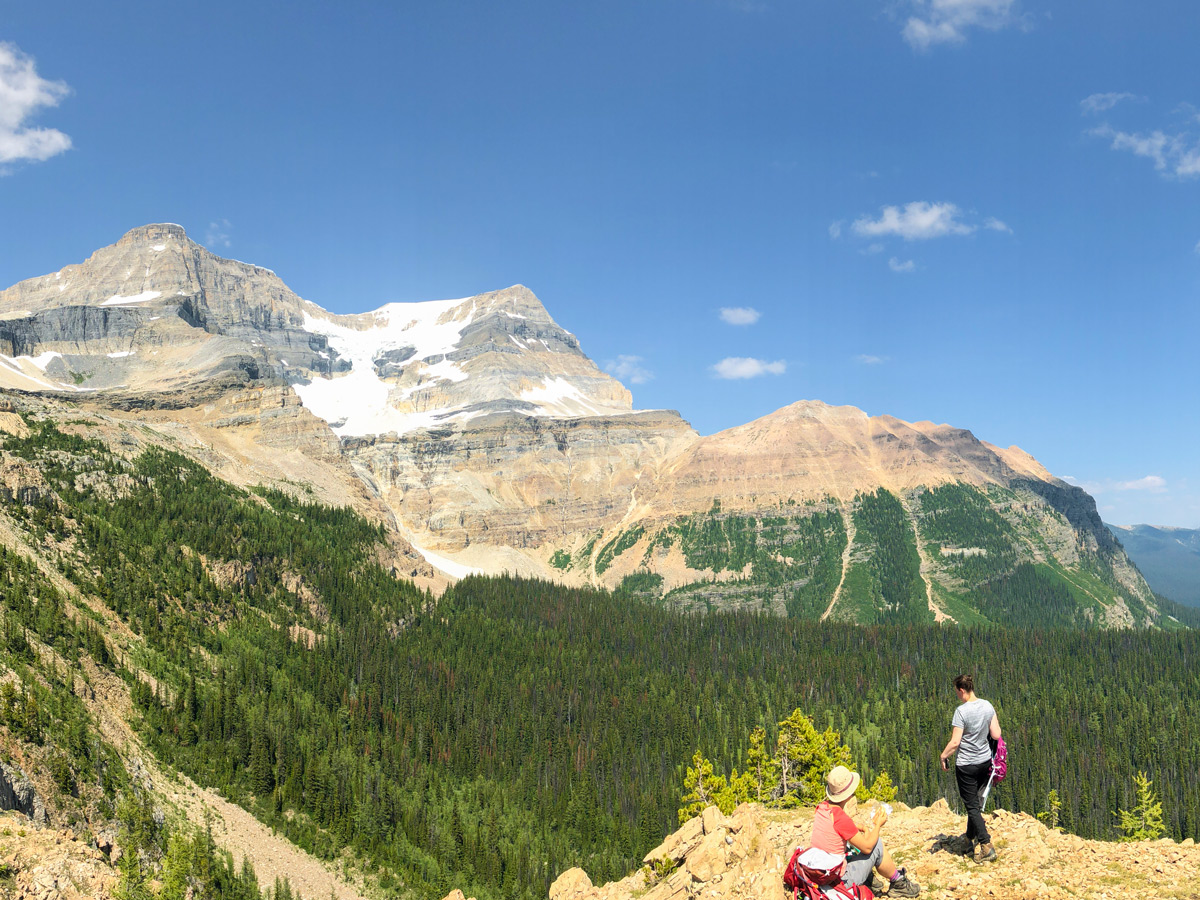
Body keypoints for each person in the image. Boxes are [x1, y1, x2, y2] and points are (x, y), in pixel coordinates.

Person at [810, 765, 920, 897]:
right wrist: (878, 825)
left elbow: (833, 830)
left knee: (851, 846)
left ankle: (869, 878)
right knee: (876, 845)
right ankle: (899, 883)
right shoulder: (841, 818)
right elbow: (867, 848)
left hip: (821, 873)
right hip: (839, 882)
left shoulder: (822, 808)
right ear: (848, 794)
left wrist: (858, 827)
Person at [939, 674, 1002, 862]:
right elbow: (996, 734)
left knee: (972, 806)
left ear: (961, 690)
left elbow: (955, 742)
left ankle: (985, 844)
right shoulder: (987, 706)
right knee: (975, 804)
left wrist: (943, 756)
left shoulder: (961, 712)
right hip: (984, 763)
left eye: (956, 692)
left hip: (966, 765)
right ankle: (968, 839)